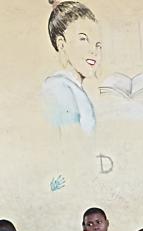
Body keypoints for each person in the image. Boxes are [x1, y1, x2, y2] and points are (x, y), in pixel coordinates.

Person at [42, 0, 101, 134]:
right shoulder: (58, 86)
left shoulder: (74, 88)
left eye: (98, 45)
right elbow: (70, 140)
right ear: (61, 44)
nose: (94, 51)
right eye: (83, 39)